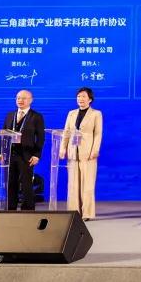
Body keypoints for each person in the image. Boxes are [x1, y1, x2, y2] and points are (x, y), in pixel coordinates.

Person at [60, 87, 102, 221]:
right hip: (73, 152)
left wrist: (95, 150)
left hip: (88, 153)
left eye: (83, 96)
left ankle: (87, 213)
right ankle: (74, 212)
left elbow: (98, 133)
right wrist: (62, 148)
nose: (80, 99)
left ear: (90, 99)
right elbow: (66, 132)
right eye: (78, 96)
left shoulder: (96, 114)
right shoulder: (71, 113)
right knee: (73, 185)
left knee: (87, 185)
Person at [2, 89, 44, 211]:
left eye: (24, 98)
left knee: (26, 183)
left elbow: (40, 138)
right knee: (10, 183)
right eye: (18, 98)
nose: (20, 100)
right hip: (10, 154)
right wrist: (1, 152)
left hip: (27, 155)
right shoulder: (10, 115)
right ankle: (11, 208)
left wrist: (37, 155)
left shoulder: (36, 116)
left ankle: (28, 209)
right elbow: (3, 134)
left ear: (31, 100)